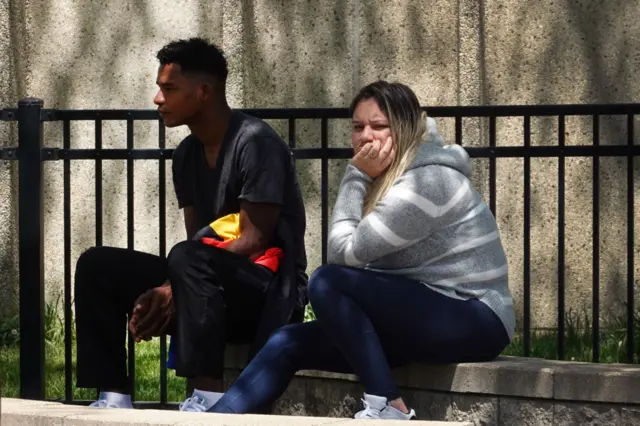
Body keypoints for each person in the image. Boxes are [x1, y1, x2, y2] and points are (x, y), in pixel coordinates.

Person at [204, 80, 515, 420]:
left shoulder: (427, 183)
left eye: (380, 126)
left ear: (406, 129)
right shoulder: (389, 177)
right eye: (357, 127)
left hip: (475, 317)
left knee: (327, 281)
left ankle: (386, 405)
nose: (367, 136)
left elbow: (342, 255)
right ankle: (212, 421)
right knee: (286, 342)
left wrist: (355, 175)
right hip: (422, 315)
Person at [73, 37, 308, 412]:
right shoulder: (185, 155)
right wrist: (171, 287)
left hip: (266, 292)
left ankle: (208, 397)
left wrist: (175, 285)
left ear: (203, 92)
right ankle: (113, 396)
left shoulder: (256, 143)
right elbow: (198, 241)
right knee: (98, 265)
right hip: (207, 285)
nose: (158, 99)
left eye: (169, 88)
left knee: (188, 258)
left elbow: (254, 240)